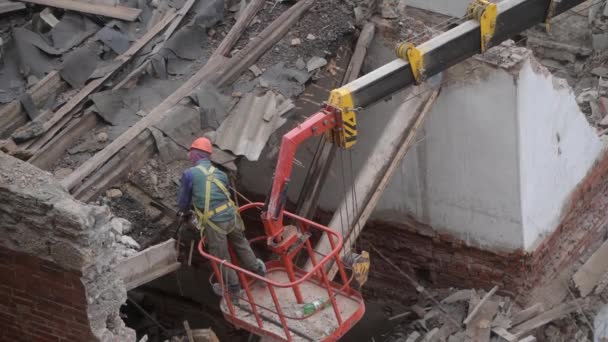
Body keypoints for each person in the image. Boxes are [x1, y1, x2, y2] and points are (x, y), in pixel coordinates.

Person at [177, 137, 265, 302]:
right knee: (241, 244)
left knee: (220, 256)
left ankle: (233, 289)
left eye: (190, 152)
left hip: (215, 222)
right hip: (232, 216)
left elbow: (183, 202)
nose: (189, 155)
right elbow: (223, 194)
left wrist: (184, 212)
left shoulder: (189, 174)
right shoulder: (221, 174)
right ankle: (259, 270)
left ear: (195, 154)